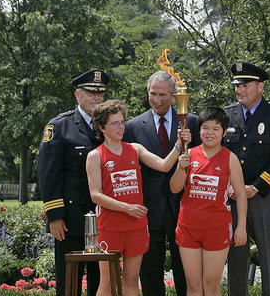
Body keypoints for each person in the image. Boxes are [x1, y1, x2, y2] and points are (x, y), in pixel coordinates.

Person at [86, 99, 191, 296]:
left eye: (122, 122)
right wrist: (126, 207)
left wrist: (179, 144)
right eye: (115, 123)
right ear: (101, 127)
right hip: (110, 227)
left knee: (131, 280)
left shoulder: (135, 149)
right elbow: (96, 195)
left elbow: (164, 166)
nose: (121, 127)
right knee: (107, 283)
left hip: (136, 225)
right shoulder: (95, 155)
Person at [123, 70, 200, 296]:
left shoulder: (192, 122)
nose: (156, 100)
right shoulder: (133, 126)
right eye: (152, 94)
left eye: (163, 95)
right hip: (149, 208)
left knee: (186, 272)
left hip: (185, 207)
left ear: (174, 95)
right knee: (150, 273)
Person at [224, 62, 270, 296]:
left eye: (245, 85)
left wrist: (256, 187)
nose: (239, 90)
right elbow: (219, 155)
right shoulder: (227, 114)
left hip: (264, 195)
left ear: (260, 86)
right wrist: (228, 186)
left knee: (269, 259)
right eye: (237, 85)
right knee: (236, 258)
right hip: (233, 197)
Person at [37, 69, 109, 296]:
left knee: (101, 284)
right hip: (70, 220)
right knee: (69, 284)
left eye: (100, 94)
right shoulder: (59, 127)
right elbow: (48, 174)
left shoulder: (110, 126)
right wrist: (55, 216)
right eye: (90, 93)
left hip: (104, 219)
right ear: (78, 95)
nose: (96, 98)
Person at [170, 106, 247, 296]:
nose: (209, 133)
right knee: (193, 285)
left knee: (211, 285)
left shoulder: (230, 158)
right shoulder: (189, 155)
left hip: (217, 228)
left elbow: (241, 194)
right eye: (205, 127)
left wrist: (241, 227)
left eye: (215, 128)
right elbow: (174, 188)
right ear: (199, 130)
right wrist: (181, 167)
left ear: (223, 132)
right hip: (188, 227)